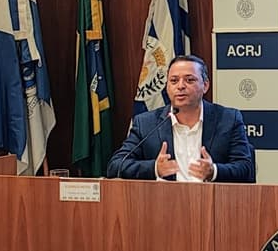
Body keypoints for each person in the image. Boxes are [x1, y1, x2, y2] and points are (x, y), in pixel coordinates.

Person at [107, 54, 255, 182]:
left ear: (205, 85)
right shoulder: (146, 123)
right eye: (174, 80)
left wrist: (214, 171)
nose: (180, 86)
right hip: (164, 205)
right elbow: (116, 166)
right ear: (167, 87)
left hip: (214, 205)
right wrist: (154, 168)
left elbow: (245, 167)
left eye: (189, 80)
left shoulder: (228, 119)